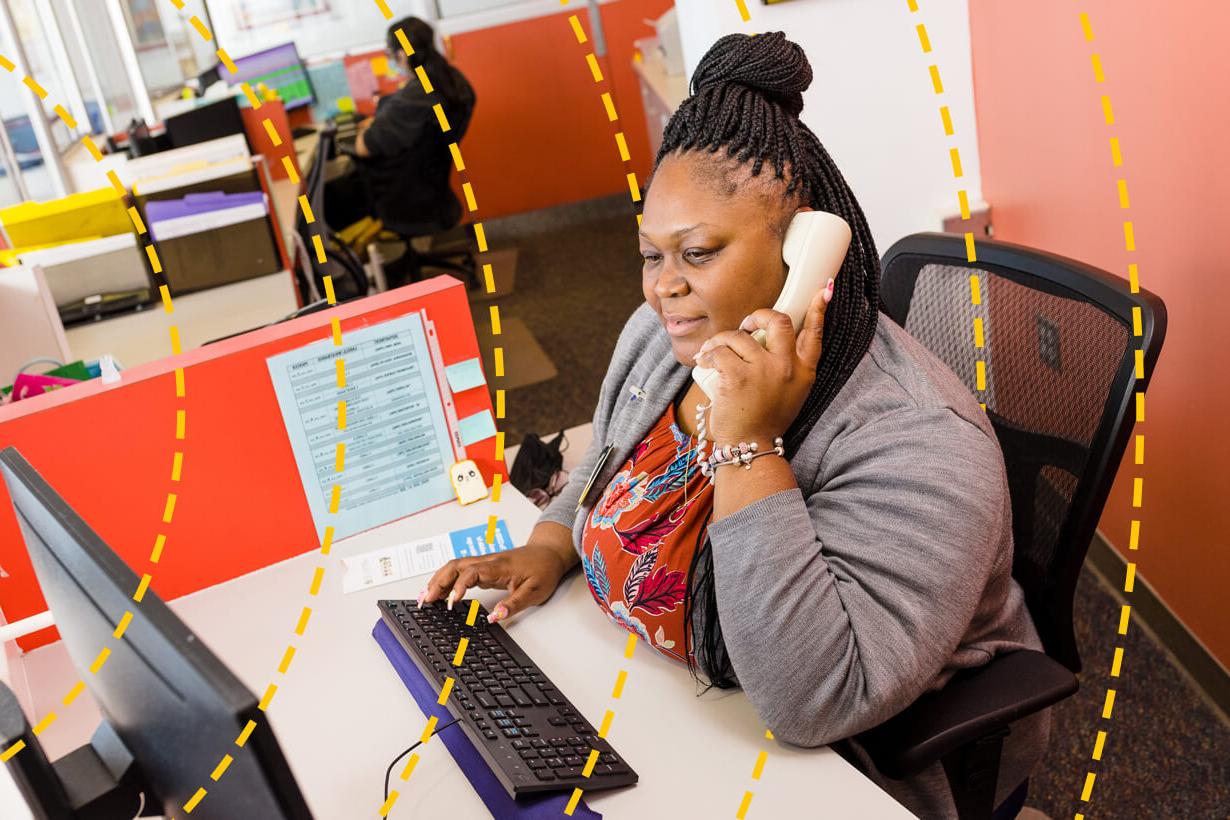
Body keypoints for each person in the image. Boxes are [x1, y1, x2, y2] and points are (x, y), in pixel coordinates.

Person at [422, 32, 1049, 818]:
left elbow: (811, 700)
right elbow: (608, 463)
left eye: (697, 252)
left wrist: (750, 444)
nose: (663, 289)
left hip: (847, 769)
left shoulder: (919, 438)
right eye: (652, 255)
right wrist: (550, 545)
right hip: (668, 706)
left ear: (805, 250)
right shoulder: (665, 340)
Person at [324, 16, 475, 237]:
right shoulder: (451, 79)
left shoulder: (415, 95)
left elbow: (363, 147)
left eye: (388, 53)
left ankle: (346, 269)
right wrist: (380, 120)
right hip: (427, 189)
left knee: (322, 201)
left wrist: (366, 129)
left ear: (401, 55)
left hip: (401, 196)